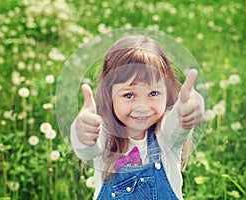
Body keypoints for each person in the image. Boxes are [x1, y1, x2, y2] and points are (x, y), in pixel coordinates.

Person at [71, 35, 205, 199]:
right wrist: (83, 132)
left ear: (167, 92)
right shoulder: (105, 136)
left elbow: (178, 124)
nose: (142, 107)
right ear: (109, 94)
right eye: (129, 95)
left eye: (153, 93)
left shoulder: (165, 136)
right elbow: (87, 149)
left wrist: (186, 109)